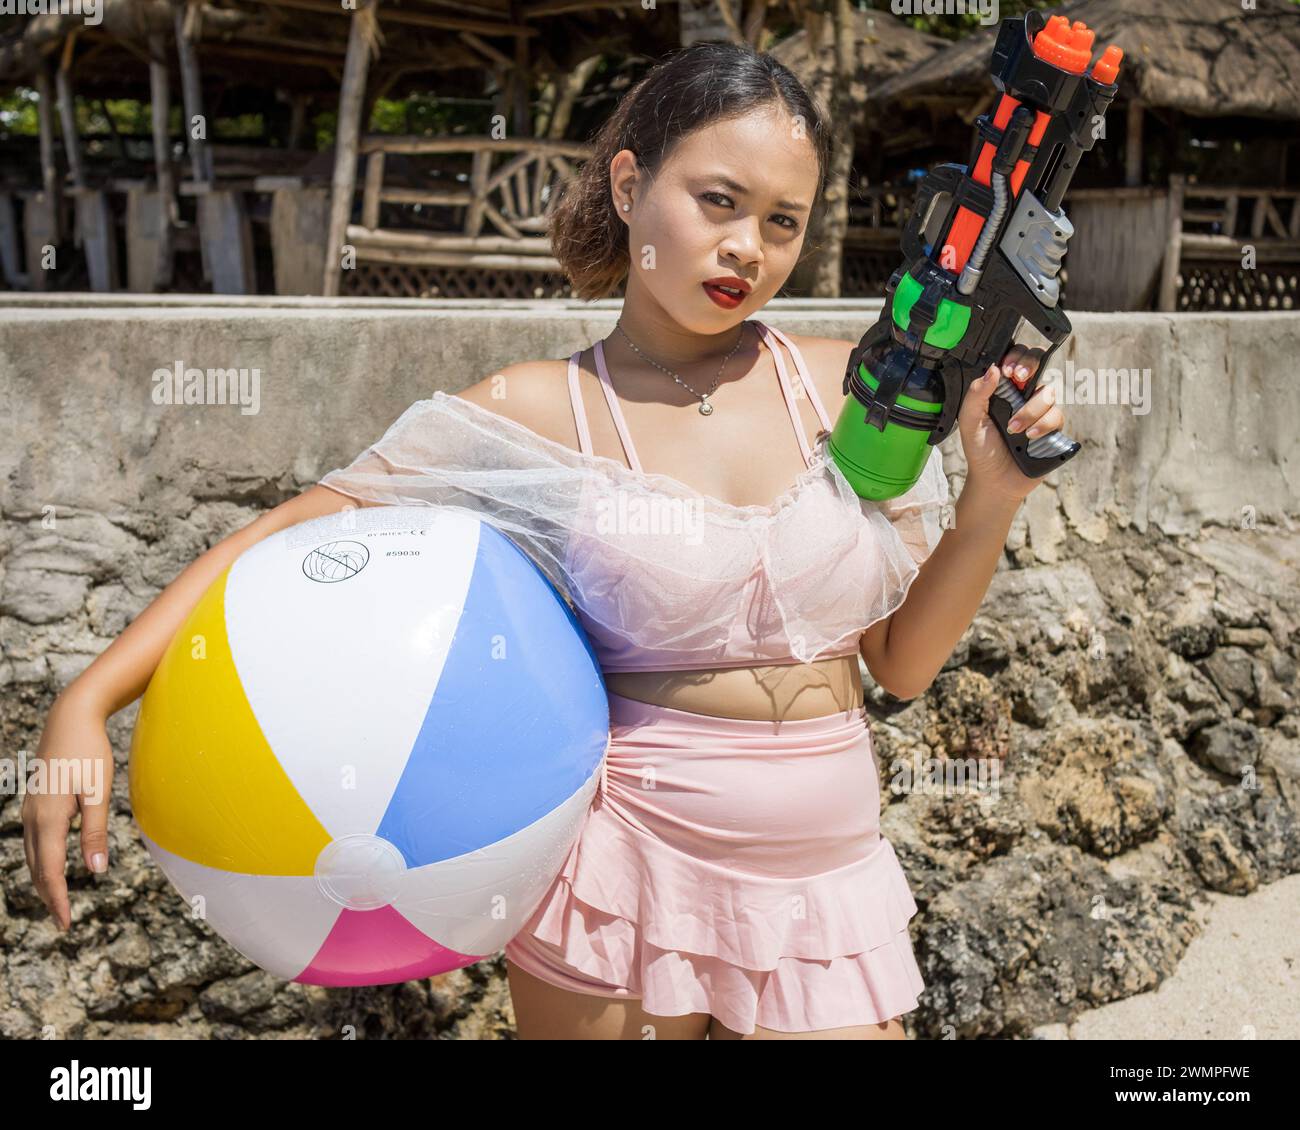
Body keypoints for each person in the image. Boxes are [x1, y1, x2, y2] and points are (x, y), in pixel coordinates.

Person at [22, 42, 1064, 1042]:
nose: (748, 246)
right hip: (622, 867)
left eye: (782, 221)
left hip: (826, 874)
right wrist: (89, 698)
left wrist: (992, 500)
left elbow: (903, 665)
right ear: (627, 185)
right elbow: (287, 535)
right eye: (718, 201)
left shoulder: (858, 391)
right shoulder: (537, 409)